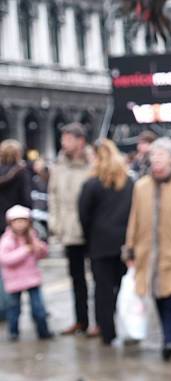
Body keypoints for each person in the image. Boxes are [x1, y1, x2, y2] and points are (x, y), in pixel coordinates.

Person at [123, 137, 171, 361]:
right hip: (148, 252)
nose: (156, 161)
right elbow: (134, 219)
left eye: (161, 156)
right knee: (156, 294)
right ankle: (168, 335)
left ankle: (170, 338)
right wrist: (130, 249)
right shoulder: (141, 186)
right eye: (153, 156)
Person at [78, 140, 134, 345]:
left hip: (99, 243)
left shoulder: (91, 184)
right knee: (124, 287)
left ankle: (107, 333)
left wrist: (88, 239)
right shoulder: (128, 182)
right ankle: (127, 327)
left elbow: (83, 215)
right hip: (124, 243)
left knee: (102, 290)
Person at [48, 122, 94, 336]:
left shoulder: (93, 164)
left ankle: (101, 321)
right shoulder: (59, 166)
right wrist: (55, 224)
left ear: (80, 141)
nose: (63, 143)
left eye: (68, 139)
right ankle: (80, 320)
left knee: (100, 279)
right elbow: (53, 196)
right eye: (62, 139)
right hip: (69, 230)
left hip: (92, 230)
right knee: (76, 278)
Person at [0, 205, 52, 341]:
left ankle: (43, 331)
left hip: (32, 278)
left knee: (38, 308)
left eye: (23, 221)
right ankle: (13, 332)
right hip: (14, 281)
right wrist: (25, 250)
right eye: (17, 221)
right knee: (13, 309)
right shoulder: (7, 240)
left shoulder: (32, 236)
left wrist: (40, 249)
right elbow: (5, 259)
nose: (20, 224)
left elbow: (42, 255)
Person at [0, 140, 32, 321]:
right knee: (23, 267)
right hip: (16, 225)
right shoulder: (20, 172)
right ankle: (15, 308)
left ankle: (3, 309)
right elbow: (26, 199)